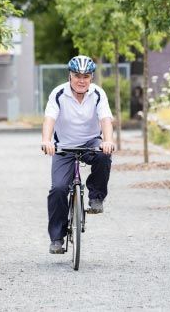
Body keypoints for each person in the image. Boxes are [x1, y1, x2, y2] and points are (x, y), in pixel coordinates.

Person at [41, 55, 115, 254]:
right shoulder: (58, 93)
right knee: (57, 189)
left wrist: (107, 141)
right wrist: (47, 141)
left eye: (86, 76)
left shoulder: (98, 93)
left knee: (103, 155)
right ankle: (57, 238)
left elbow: (105, 119)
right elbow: (49, 118)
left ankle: (96, 197)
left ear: (91, 77)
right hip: (63, 147)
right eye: (77, 75)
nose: (81, 80)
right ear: (70, 76)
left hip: (90, 142)